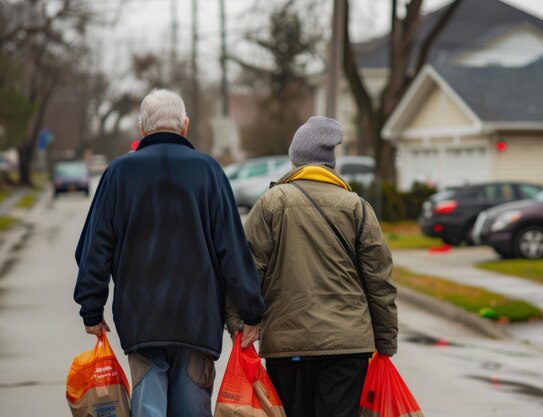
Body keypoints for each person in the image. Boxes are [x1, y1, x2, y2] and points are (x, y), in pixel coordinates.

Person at [74, 88, 264, 417]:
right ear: (185, 125)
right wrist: (251, 312)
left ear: (142, 128)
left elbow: (94, 247)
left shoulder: (118, 173)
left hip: (141, 320)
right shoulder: (209, 171)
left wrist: (91, 308)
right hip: (197, 321)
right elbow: (232, 251)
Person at [228, 116, 398, 417]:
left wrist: (240, 325)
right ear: (330, 163)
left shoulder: (271, 203)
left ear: (296, 160)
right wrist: (385, 342)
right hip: (348, 347)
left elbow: (246, 270)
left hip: (289, 345)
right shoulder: (357, 206)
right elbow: (379, 281)